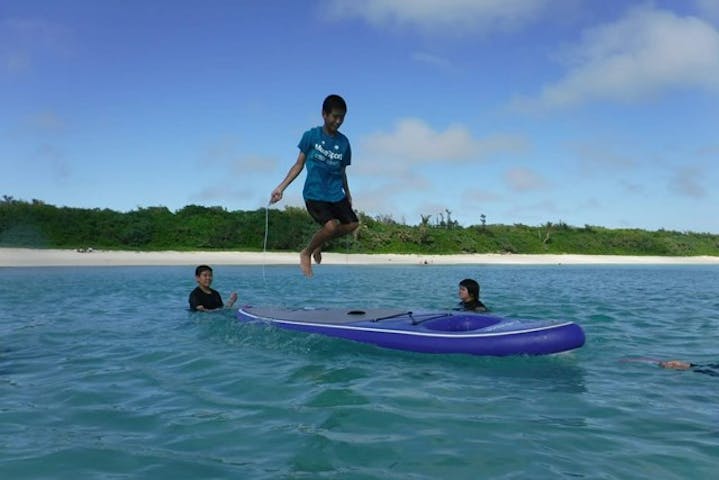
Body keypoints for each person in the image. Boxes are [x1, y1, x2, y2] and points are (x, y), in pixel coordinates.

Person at [270, 94, 359, 278]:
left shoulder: (344, 143)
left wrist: (348, 194)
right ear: (324, 114)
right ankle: (306, 252)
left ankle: (320, 243)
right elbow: (298, 165)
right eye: (335, 116)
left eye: (342, 117)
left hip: (336, 193)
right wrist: (281, 188)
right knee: (331, 227)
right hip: (315, 193)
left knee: (352, 224)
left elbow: (342, 171)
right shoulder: (311, 136)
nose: (338, 121)